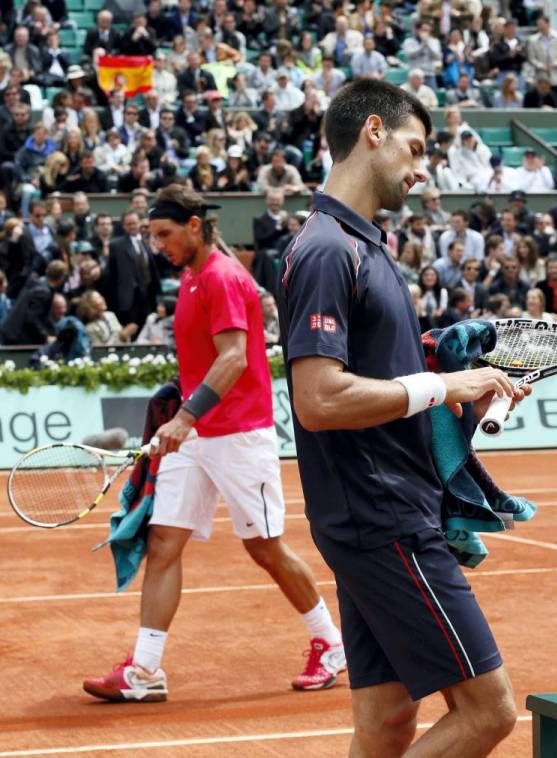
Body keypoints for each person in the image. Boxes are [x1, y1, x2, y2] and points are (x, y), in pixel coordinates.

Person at [277, 79, 531, 756]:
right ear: (373, 134)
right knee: (490, 712)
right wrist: (440, 382)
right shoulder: (330, 249)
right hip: (381, 517)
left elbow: (387, 384)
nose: (423, 170)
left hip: (378, 513)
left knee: (387, 722)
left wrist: (451, 393)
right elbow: (321, 399)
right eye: (416, 149)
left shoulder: (364, 248)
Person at [83, 184, 345, 703]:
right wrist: (178, 412)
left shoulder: (223, 277)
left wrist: (183, 417)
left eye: (165, 233)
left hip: (240, 436)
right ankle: (146, 669)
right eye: (153, 235)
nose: (158, 243)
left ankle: (331, 643)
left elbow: (234, 359)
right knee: (164, 543)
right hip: (197, 437)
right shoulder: (191, 278)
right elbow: (205, 361)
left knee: (264, 548)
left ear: (195, 226)